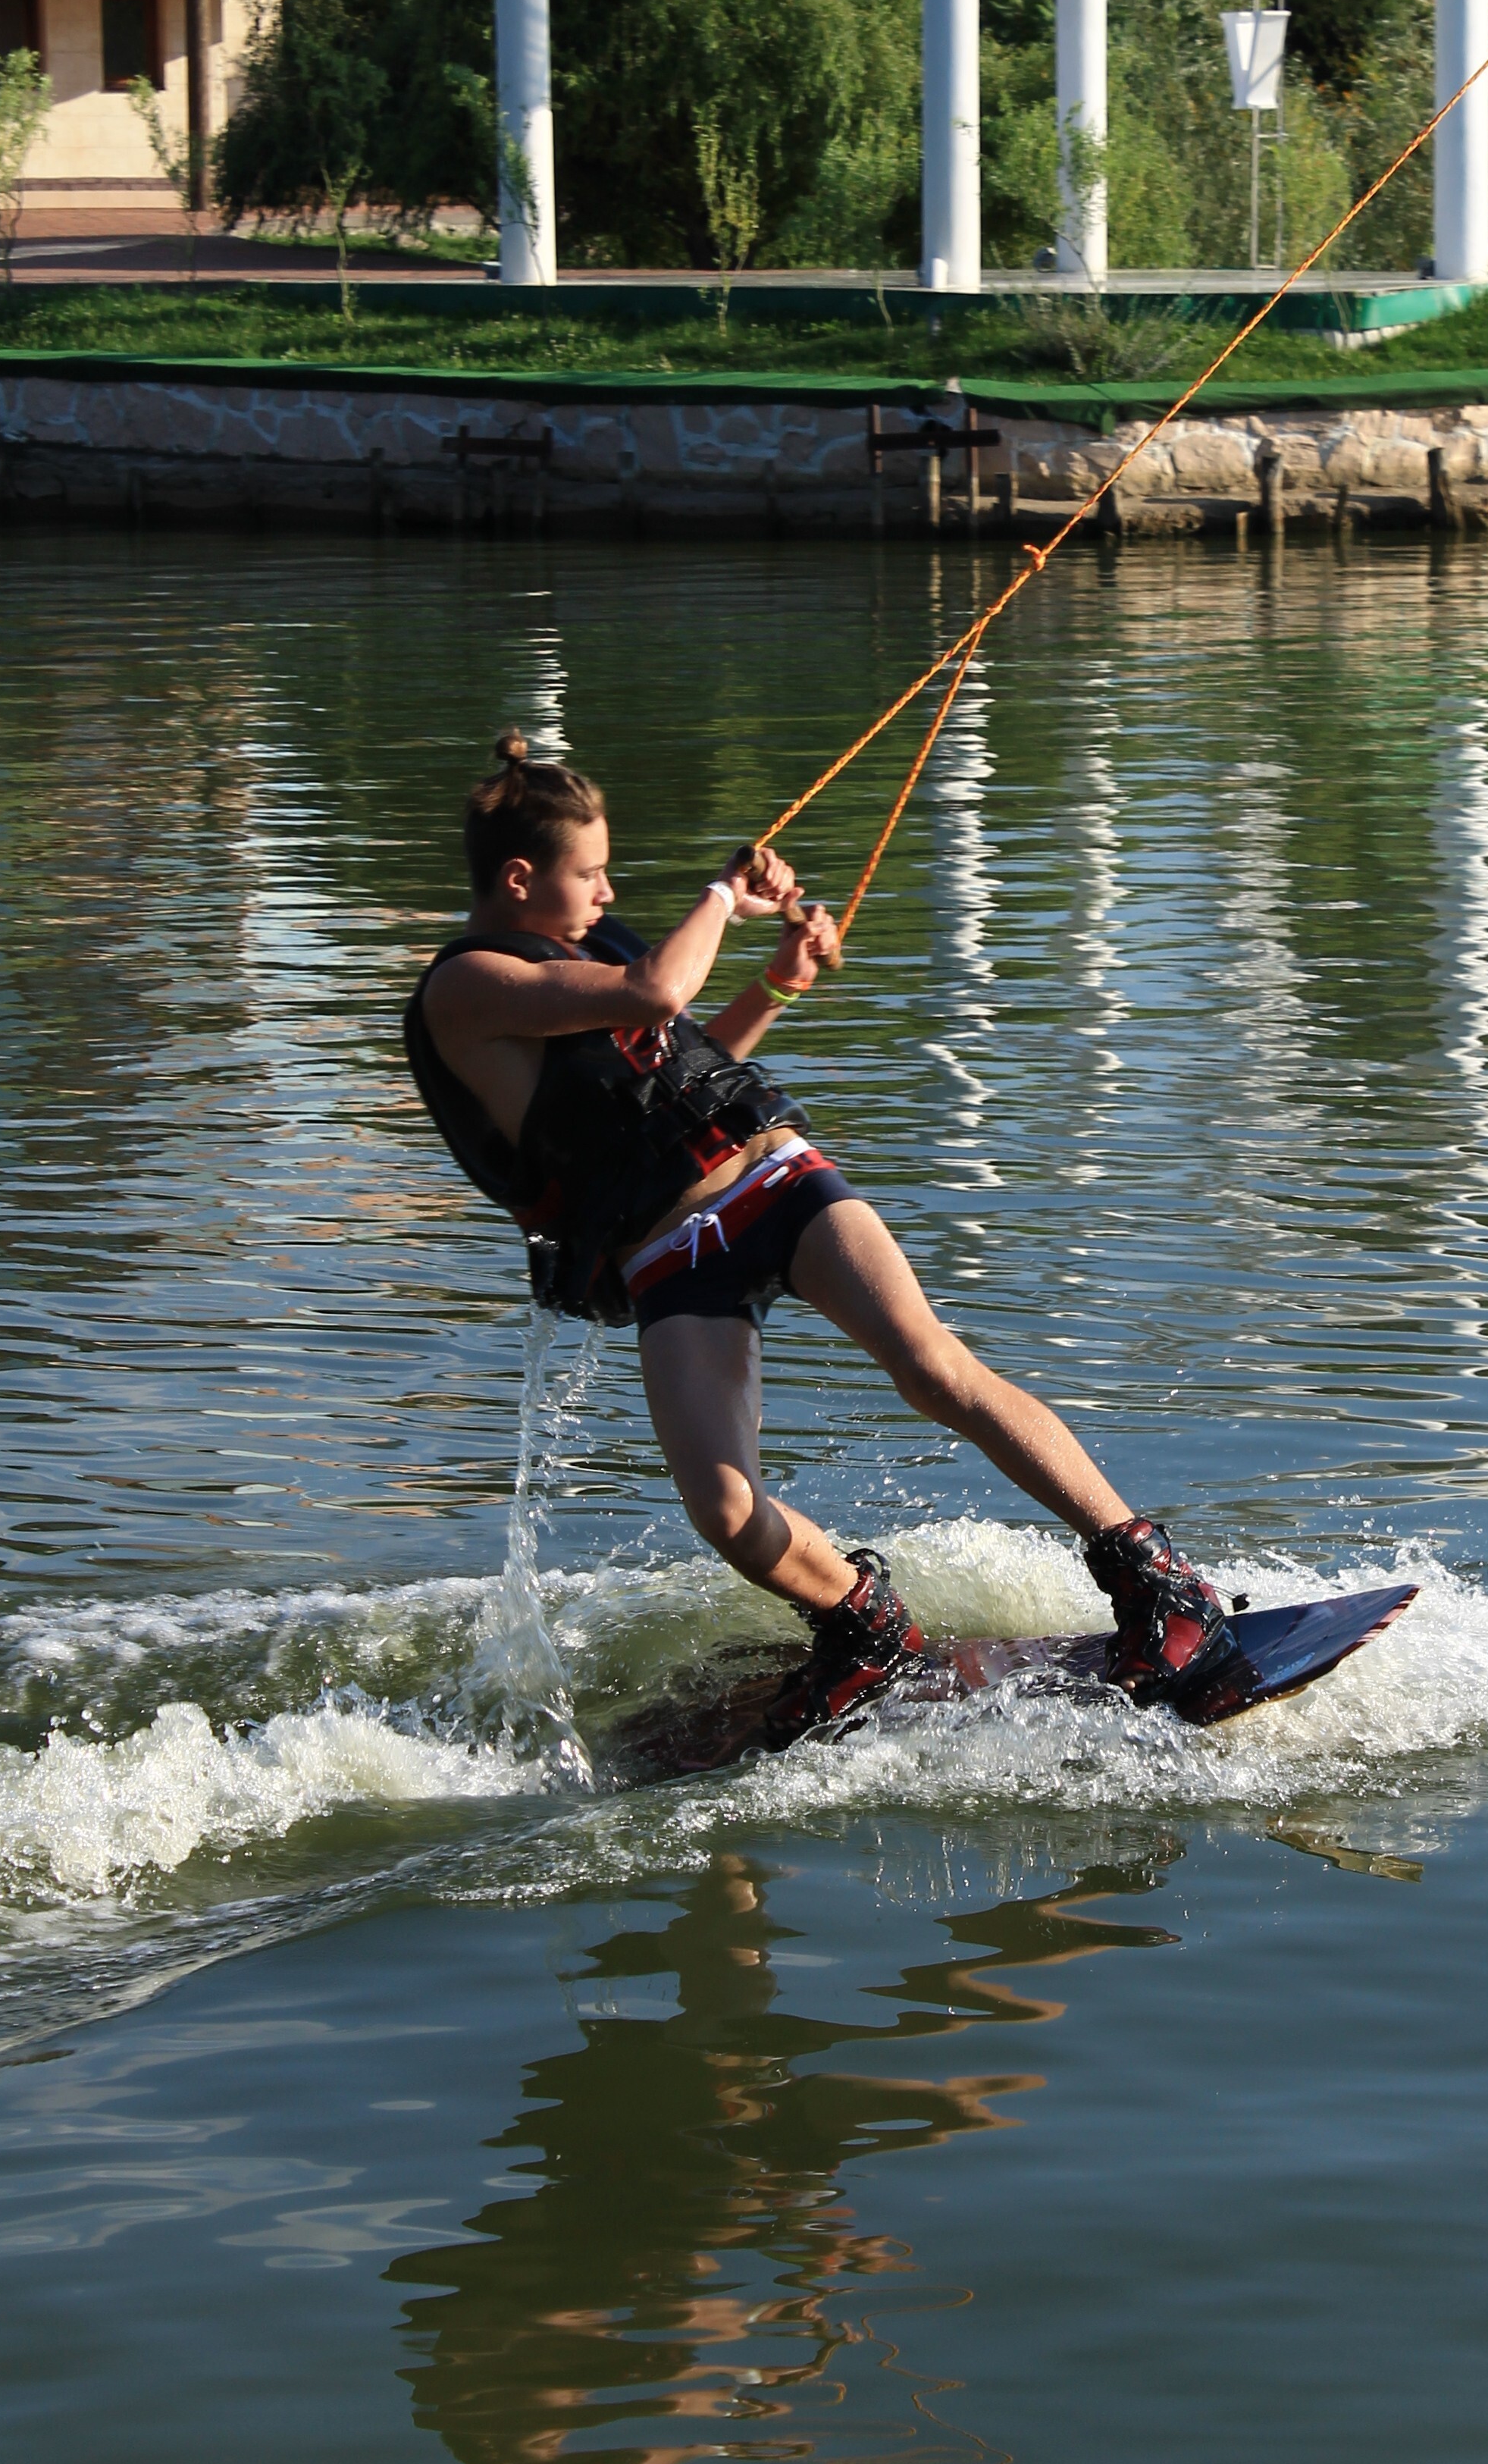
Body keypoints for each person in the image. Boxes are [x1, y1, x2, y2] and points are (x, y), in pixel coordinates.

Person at [405, 733, 1238, 1748]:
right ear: (520, 877)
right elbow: (657, 997)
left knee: (931, 1367)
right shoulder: (467, 988)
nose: (609, 889)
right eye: (591, 872)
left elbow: (676, 1065)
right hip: (671, 1253)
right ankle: (863, 1627)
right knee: (721, 1504)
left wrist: (779, 979)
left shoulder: (584, 954)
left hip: (773, 1180)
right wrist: (720, 893)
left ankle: (1157, 1586)